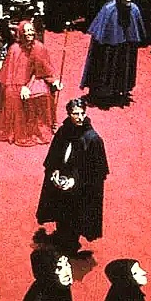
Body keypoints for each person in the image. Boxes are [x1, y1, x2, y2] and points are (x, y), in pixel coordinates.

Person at [36, 98, 108, 255]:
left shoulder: (92, 139)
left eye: (82, 113)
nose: (80, 117)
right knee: (60, 211)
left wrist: (75, 181)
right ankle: (60, 236)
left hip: (80, 188)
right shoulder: (64, 131)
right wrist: (55, 170)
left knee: (74, 216)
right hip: (62, 181)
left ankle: (70, 245)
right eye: (76, 114)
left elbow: (97, 172)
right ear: (69, 114)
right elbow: (55, 154)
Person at [0, 20, 62, 146]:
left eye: (31, 30)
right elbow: (12, 76)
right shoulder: (14, 49)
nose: (29, 33)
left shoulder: (39, 47)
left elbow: (45, 69)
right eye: (26, 31)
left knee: (42, 94)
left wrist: (55, 81)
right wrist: (22, 87)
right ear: (21, 33)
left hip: (37, 79)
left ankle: (41, 127)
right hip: (17, 84)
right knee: (12, 95)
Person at [80, 0, 145, 107]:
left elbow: (137, 29)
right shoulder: (109, 9)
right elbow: (100, 30)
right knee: (105, 69)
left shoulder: (134, 9)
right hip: (108, 47)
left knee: (123, 68)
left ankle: (119, 90)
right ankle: (102, 93)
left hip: (125, 46)